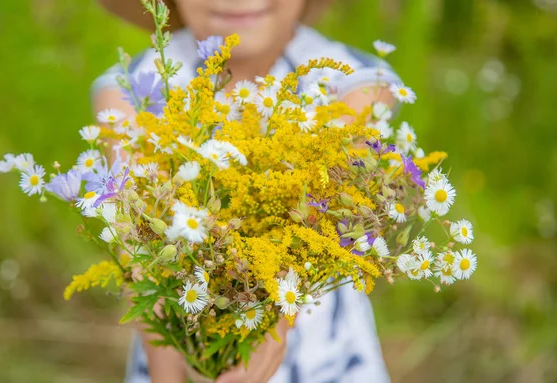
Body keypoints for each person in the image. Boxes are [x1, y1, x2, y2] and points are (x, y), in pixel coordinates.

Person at [92, 1, 400, 382]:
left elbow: (318, 227)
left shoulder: (357, 83)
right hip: (176, 341)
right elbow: (142, 251)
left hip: (329, 360)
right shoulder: (135, 88)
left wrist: (274, 323)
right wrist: (169, 371)